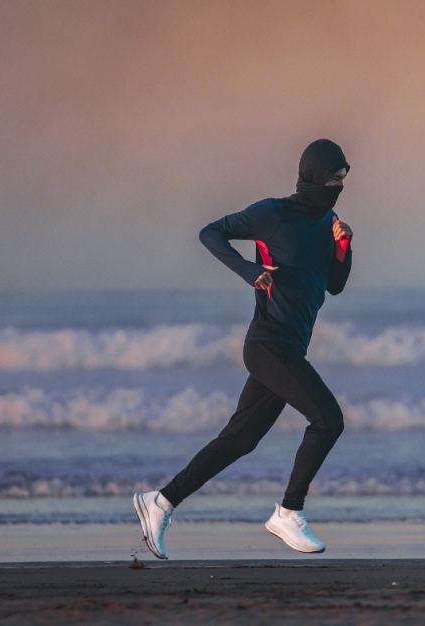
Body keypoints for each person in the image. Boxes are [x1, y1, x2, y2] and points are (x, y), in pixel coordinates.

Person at [134, 139, 354, 558]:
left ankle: (159, 502)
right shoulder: (273, 213)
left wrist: (344, 245)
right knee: (328, 420)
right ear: (313, 176)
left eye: (343, 178)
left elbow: (334, 284)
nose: (338, 186)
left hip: (289, 347)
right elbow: (210, 232)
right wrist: (249, 270)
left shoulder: (329, 219)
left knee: (239, 440)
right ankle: (289, 512)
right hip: (269, 344)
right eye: (332, 178)